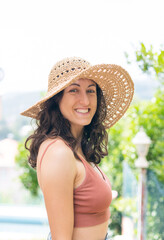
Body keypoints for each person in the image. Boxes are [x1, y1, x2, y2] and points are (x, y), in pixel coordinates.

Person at [21, 57, 134, 240]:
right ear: (57, 99)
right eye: (74, 90)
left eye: (91, 91)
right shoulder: (58, 153)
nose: (85, 100)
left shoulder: (75, 147)